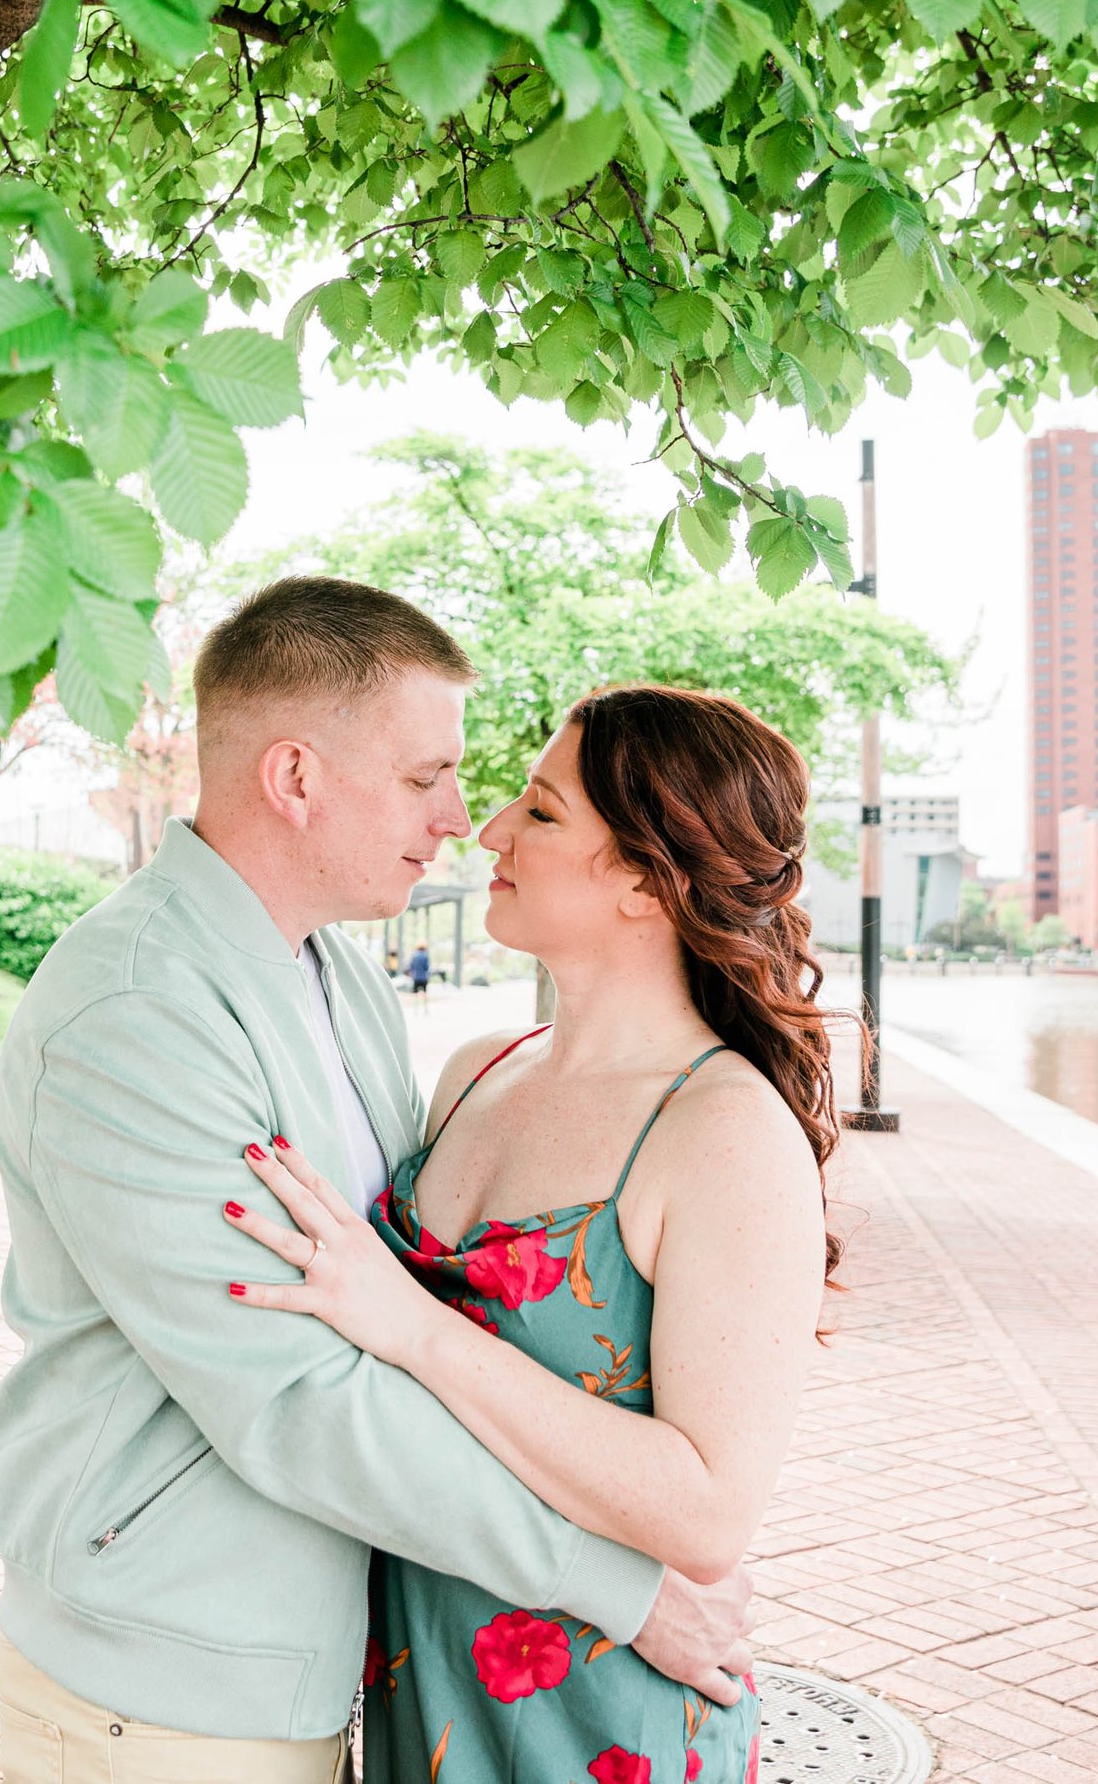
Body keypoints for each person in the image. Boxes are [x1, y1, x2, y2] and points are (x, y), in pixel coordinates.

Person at [0, 581, 754, 1784]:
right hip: (165, 1689)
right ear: (295, 778)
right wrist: (616, 1588)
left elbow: (400, 1315)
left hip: (340, 1659)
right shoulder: (141, 1013)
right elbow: (295, 1394)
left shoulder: (340, 980)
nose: (461, 816)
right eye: (420, 777)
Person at [226, 685, 836, 1784]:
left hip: (602, 1716)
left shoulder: (722, 1132)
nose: (490, 829)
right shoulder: (478, 1072)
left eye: (542, 813)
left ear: (647, 879)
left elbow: (708, 1513)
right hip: (420, 1681)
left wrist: (414, 1330)